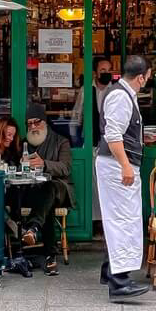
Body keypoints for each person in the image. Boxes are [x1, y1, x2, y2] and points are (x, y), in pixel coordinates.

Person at [96, 54, 156, 302]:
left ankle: (109, 271)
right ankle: (119, 283)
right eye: (149, 76)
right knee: (123, 219)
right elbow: (112, 135)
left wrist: (141, 139)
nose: (149, 80)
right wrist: (125, 166)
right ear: (141, 77)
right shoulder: (121, 97)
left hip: (116, 163)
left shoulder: (122, 93)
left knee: (120, 218)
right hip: (115, 166)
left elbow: (121, 132)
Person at [21, 102, 74, 276]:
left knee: (48, 188)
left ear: (45, 122)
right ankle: (49, 254)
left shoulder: (61, 141)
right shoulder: (25, 144)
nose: (34, 127)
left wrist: (44, 164)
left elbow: (65, 168)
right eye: (30, 124)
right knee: (45, 204)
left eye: (37, 122)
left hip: (58, 189)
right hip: (33, 190)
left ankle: (33, 230)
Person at [71, 55, 114, 146]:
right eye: (103, 70)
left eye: (109, 70)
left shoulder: (117, 90)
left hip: (112, 143)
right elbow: (77, 115)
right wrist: (75, 138)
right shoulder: (86, 89)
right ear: (95, 73)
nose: (107, 73)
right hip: (90, 142)